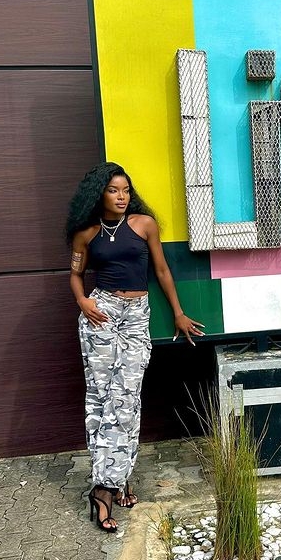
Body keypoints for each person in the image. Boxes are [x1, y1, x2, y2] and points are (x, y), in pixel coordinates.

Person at [66, 162, 204, 532]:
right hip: (102, 313)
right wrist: (83, 301)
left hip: (136, 314)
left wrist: (178, 313)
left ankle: (115, 477)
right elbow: (76, 274)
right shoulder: (86, 233)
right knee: (102, 398)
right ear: (99, 194)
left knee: (127, 397)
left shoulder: (144, 225)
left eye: (126, 190)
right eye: (113, 190)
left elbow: (161, 271)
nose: (122, 196)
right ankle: (106, 487)